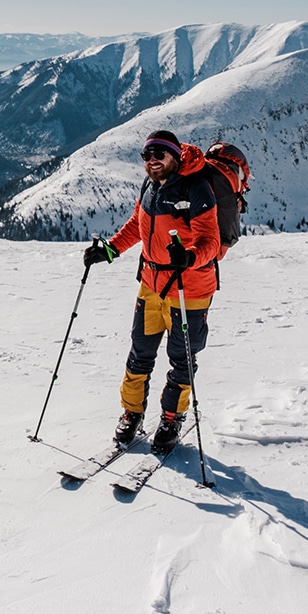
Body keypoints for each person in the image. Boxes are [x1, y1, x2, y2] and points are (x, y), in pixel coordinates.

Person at [82, 130, 222, 454]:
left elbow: (210, 241)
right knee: (140, 353)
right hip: (151, 285)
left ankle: (172, 418)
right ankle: (132, 413)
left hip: (190, 290)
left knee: (182, 359)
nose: (153, 159)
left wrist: (189, 256)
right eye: (147, 154)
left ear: (175, 155)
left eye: (160, 153)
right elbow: (136, 225)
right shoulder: (150, 186)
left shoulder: (197, 187)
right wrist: (110, 250)